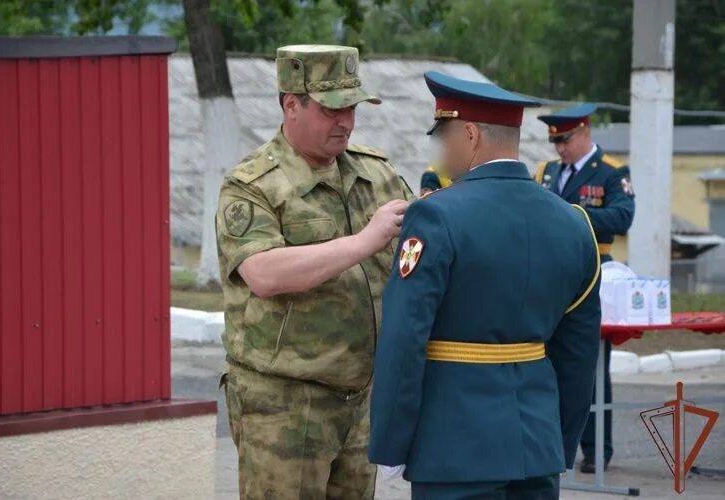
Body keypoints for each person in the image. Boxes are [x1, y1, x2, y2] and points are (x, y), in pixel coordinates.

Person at [368, 71, 602, 500]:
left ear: (471, 134)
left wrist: (390, 442)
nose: (442, 150)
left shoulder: (436, 216)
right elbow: (579, 351)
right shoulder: (574, 223)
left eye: (445, 136)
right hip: (537, 445)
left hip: (453, 448)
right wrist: (559, 442)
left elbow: (404, 337)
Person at [216, 44, 414, 499]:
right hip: (282, 406)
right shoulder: (252, 184)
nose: (345, 121)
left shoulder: (375, 173)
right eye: (331, 109)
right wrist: (365, 241)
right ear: (291, 104)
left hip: (358, 399)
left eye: (352, 108)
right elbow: (263, 273)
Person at [535, 103, 635, 473]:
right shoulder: (546, 173)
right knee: (547, 359)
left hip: (594, 270)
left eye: (566, 139)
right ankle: (552, 440)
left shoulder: (610, 171)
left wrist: (572, 214)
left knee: (589, 364)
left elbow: (623, 216)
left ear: (585, 132)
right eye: (556, 141)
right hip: (549, 272)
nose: (560, 148)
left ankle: (596, 449)